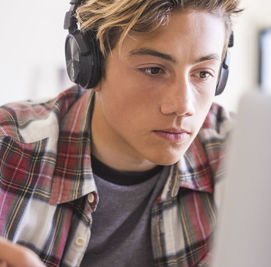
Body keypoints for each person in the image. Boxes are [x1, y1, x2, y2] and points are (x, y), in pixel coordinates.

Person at [0, 0, 242, 266]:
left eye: (203, 74)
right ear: (88, 68)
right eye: (154, 70)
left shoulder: (245, 157)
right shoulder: (8, 147)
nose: (183, 106)